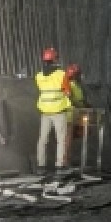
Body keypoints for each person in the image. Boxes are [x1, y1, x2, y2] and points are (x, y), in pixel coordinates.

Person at [35, 47, 72, 176]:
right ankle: (60, 167)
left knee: (43, 139)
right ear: (55, 59)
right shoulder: (61, 74)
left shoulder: (39, 76)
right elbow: (68, 92)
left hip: (45, 111)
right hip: (58, 111)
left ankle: (41, 166)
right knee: (61, 139)